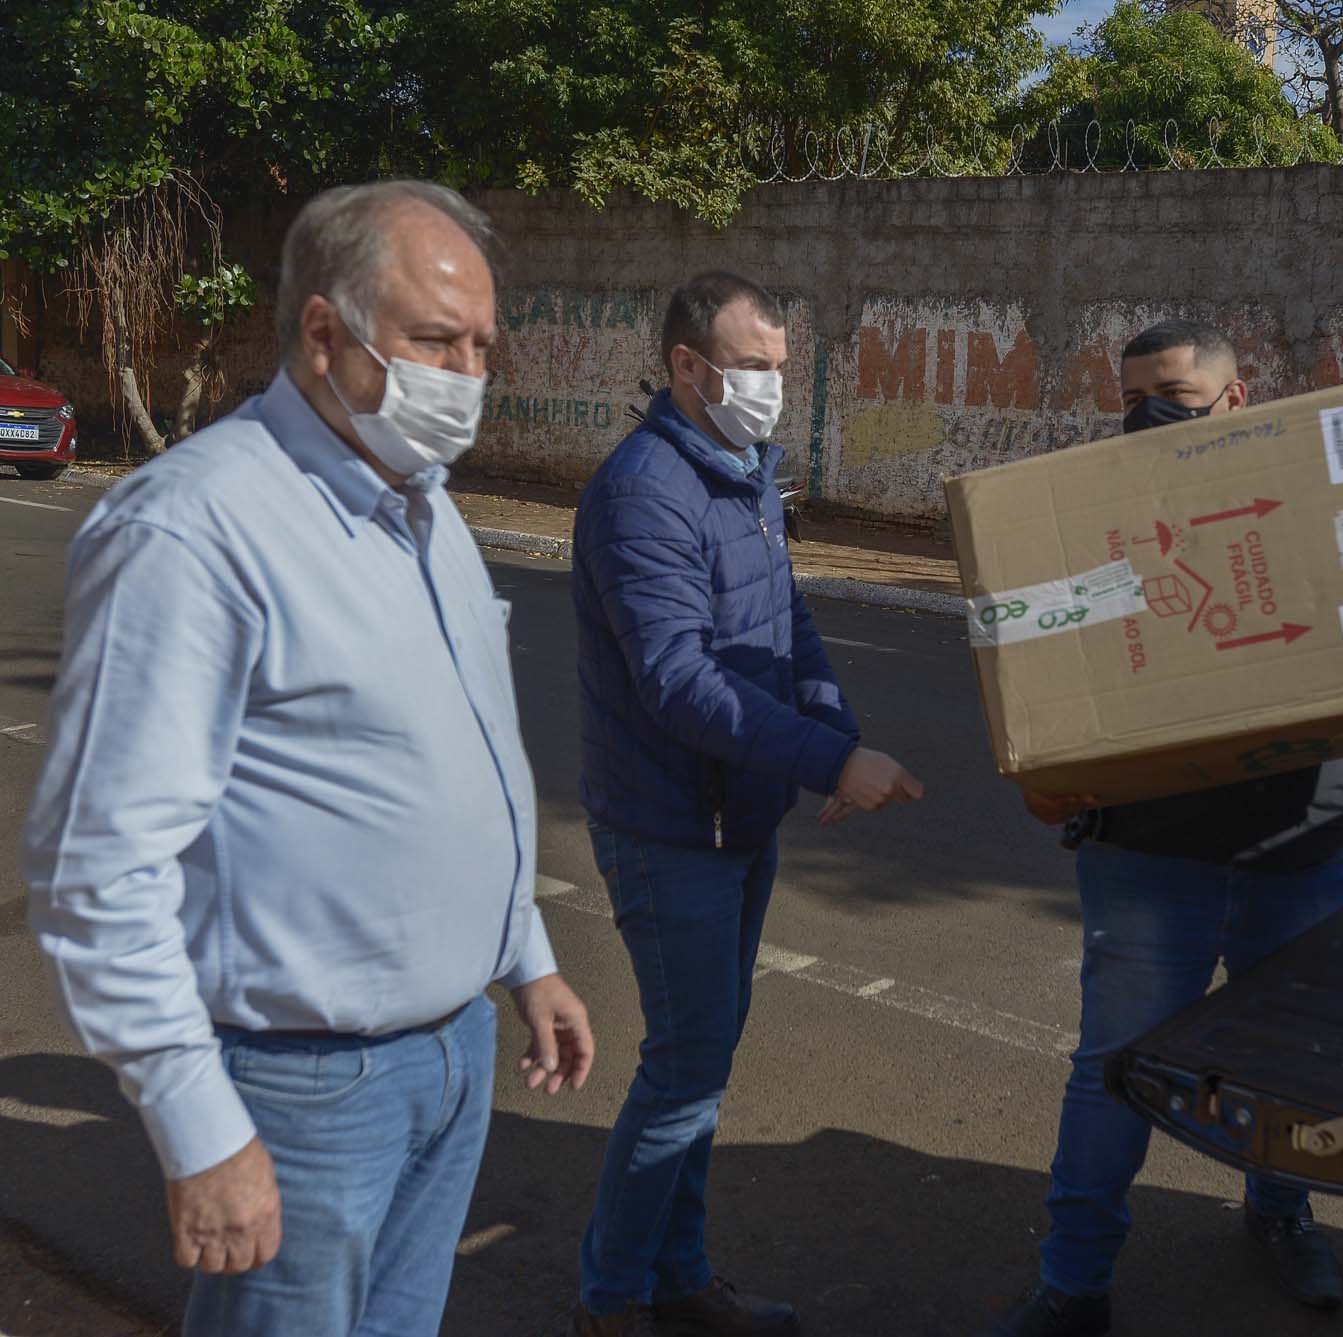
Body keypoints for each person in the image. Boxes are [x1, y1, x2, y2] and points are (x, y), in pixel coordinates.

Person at [20, 180, 594, 1337]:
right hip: (303, 1086)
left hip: (454, 1051)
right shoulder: (194, 526)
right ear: (323, 334)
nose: (468, 377)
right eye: (435, 341)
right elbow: (98, 870)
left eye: (482, 345)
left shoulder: (426, 511)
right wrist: (201, 1126)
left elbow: (455, 761)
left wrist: (522, 955)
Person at [982, 319, 1343, 1337]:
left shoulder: (1304, 498)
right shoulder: (1092, 524)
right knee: (1111, 1071)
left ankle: (1280, 1210)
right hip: (1146, 856)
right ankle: (1072, 1282)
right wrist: (1045, 775)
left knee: (1288, 1061)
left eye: (1175, 397)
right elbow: (1041, 668)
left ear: (1237, 403)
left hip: (1301, 840)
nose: (1149, 416)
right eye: (1132, 399)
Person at [569, 270, 924, 1337]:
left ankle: (678, 1277)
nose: (773, 386)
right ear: (688, 366)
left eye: (780, 367)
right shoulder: (644, 492)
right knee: (682, 1068)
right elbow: (679, 681)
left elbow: (786, 627)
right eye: (754, 368)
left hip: (737, 819)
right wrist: (827, 763)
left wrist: (837, 736)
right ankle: (612, 1297)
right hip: (671, 828)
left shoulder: (741, 470)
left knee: (704, 1062)